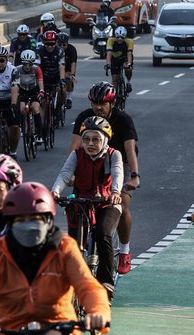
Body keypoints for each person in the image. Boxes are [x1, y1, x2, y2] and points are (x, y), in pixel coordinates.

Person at [0, 182, 111, 334]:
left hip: (57, 327)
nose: (28, 225)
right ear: (10, 222)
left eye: (34, 219)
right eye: (21, 220)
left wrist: (97, 311)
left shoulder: (65, 248)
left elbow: (88, 286)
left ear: (48, 220)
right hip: (7, 327)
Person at [69, 81, 139, 275]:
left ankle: (124, 250)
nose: (98, 107)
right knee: (79, 203)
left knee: (121, 204)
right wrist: (71, 173)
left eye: (103, 104)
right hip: (90, 160)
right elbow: (75, 147)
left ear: (112, 104)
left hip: (118, 162)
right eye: (95, 103)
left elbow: (130, 148)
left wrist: (134, 175)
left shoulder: (123, 119)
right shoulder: (84, 117)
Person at [53, 116, 123, 300]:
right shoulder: (77, 154)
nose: (90, 144)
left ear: (105, 140)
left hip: (108, 203)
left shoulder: (113, 155)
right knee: (74, 244)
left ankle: (106, 282)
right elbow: (65, 173)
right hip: (82, 203)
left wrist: (115, 192)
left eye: (96, 139)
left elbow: (117, 173)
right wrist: (55, 191)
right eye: (86, 139)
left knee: (102, 232)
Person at [0, 46, 20, 159]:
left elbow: (15, 87)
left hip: (9, 98)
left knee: (15, 127)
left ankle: (13, 151)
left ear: (7, 60)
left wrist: (14, 104)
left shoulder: (13, 69)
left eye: (2, 60)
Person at [35, 30, 66, 141]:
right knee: (43, 102)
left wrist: (62, 80)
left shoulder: (60, 51)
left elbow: (62, 66)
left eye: (52, 43)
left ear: (56, 42)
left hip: (56, 76)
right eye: (47, 43)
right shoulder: (39, 51)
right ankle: (42, 129)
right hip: (44, 77)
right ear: (43, 42)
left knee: (62, 90)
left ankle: (58, 109)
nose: (50, 46)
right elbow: (37, 69)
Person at [12, 50, 45, 139]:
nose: (27, 66)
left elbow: (40, 81)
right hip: (22, 91)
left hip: (34, 91)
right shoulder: (17, 69)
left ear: (33, 62)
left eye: (30, 64)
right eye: (25, 64)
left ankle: (39, 133)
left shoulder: (36, 68)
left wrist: (41, 91)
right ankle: (22, 128)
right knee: (22, 109)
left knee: (35, 108)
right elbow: (15, 83)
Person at [105, 26, 133, 93]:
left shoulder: (129, 41)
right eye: (117, 37)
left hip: (125, 58)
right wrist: (108, 64)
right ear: (115, 36)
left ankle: (128, 82)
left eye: (122, 37)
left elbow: (129, 54)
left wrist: (129, 64)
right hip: (114, 59)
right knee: (114, 79)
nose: (119, 39)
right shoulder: (111, 40)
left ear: (125, 36)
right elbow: (109, 53)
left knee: (127, 68)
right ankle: (113, 95)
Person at [59, 32, 77, 109]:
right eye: (59, 45)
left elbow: (73, 63)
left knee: (69, 78)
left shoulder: (72, 49)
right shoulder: (55, 50)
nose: (62, 47)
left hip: (67, 69)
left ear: (67, 43)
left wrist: (72, 75)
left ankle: (69, 98)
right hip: (56, 68)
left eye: (64, 45)